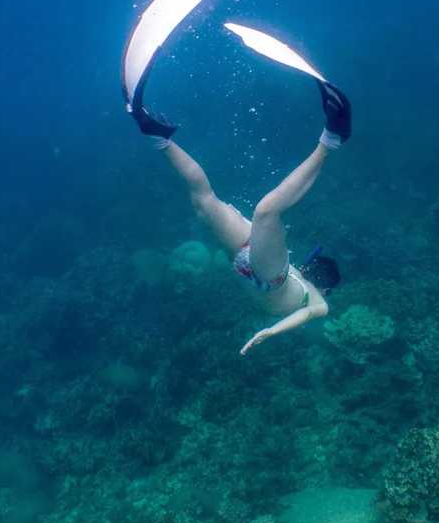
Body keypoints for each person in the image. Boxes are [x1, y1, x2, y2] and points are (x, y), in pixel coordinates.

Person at [130, 81, 351, 355]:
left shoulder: (315, 298)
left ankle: (159, 138)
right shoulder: (313, 296)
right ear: (326, 288)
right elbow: (304, 315)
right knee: (264, 212)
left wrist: (271, 331)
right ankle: (330, 142)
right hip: (266, 271)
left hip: (247, 258)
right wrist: (272, 330)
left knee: (203, 201)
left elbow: (305, 315)